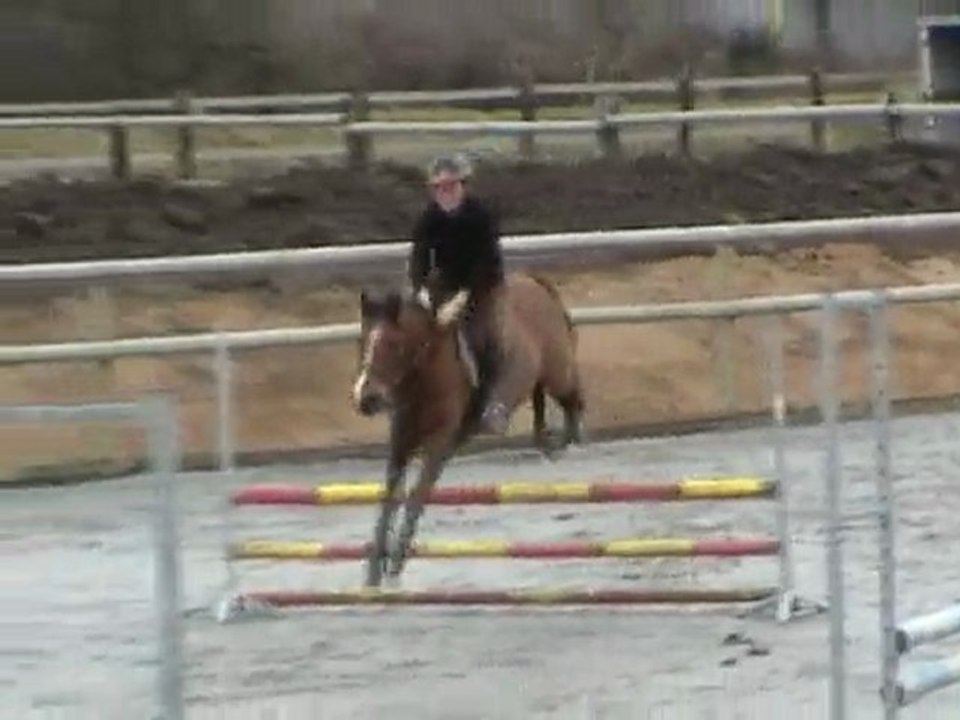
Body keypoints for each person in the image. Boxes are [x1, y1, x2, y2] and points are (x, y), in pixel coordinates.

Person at [406, 154, 509, 433]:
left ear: (463, 186)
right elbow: (419, 256)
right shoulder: (429, 217)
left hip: (482, 284)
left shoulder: (481, 216)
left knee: (482, 335)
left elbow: (486, 260)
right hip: (445, 284)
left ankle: (492, 401)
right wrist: (421, 290)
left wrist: (464, 297)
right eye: (439, 188)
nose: (444, 193)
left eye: (450, 186)